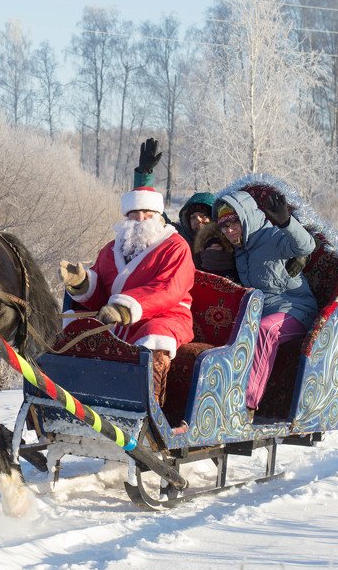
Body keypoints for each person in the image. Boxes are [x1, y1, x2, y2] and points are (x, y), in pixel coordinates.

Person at [59, 142, 195, 406]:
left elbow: (168, 290)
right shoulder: (112, 249)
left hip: (167, 315)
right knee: (77, 325)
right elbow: (100, 295)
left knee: (155, 334)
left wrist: (125, 309)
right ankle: (81, 401)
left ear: (158, 216)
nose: (140, 219)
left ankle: (148, 409)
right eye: (134, 214)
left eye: (147, 213)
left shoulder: (176, 246)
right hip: (118, 319)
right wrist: (83, 283)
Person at [212, 190, 317, 420]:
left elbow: (306, 246)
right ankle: (217, 399)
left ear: (246, 218)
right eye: (224, 226)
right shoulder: (240, 250)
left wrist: (286, 222)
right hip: (261, 312)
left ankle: (246, 407)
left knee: (266, 330)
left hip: (295, 310)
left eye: (234, 223)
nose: (229, 231)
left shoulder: (271, 237)